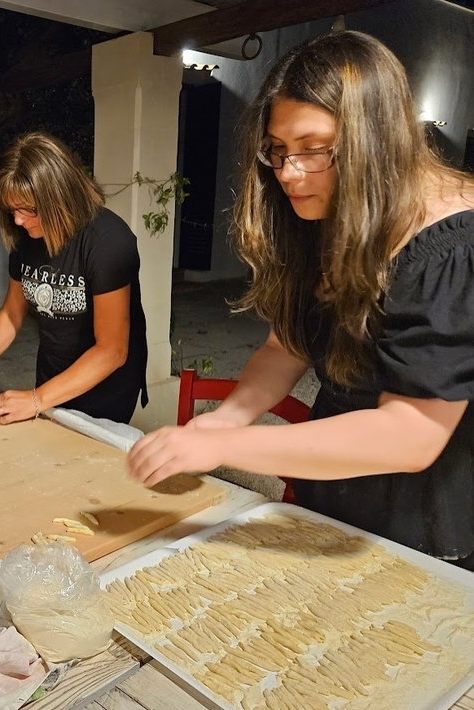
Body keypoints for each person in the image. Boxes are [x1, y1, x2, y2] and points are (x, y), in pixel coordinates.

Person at [128, 31, 474, 567]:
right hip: (335, 490)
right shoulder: (336, 206)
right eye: (279, 151)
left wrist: (226, 448)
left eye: (315, 149)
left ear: (377, 139)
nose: (289, 174)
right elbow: (284, 345)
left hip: (424, 523)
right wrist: (225, 419)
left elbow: (412, 435)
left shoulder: (450, 248)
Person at [0, 131, 148, 424]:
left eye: (28, 210)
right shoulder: (27, 237)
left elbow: (112, 350)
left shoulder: (108, 242)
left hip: (106, 388)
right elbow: (12, 311)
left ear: (60, 197)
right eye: (12, 210)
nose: (18, 220)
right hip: (51, 378)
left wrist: (35, 400)